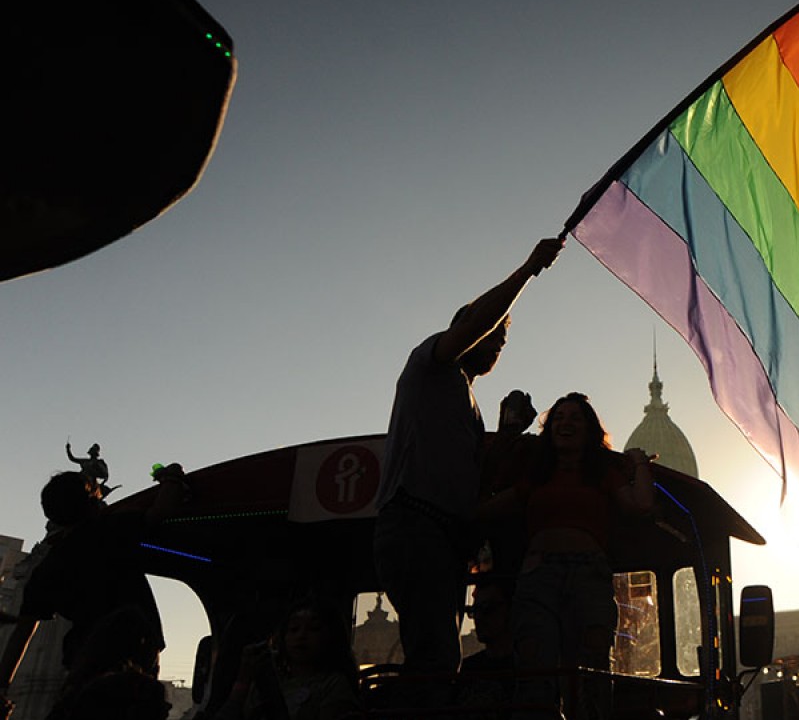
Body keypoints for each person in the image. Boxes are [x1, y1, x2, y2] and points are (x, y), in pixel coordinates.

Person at [372, 236, 563, 706]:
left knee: (441, 656)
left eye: (503, 340)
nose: (497, 343)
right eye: (492, 333)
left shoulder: (469, 406)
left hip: (445, 538)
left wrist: (508, 434)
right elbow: (478, 321)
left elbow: (475, 484)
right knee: (435, 659)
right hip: (417, 526)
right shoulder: (430, 364)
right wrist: (527, 270)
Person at [505, 393, 654, 720]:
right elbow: (501, 503)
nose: (565, 423)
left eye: (575, 418)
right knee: (534, 664)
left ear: (589, 429)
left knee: (592, 669)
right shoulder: (538, 475)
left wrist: (639, 462)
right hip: (539, 577)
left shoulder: (602, 474)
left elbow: (641, 505)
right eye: (559, 418)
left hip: (589, 576)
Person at [0, 464, 188, 718]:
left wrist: (2, 687)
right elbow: (162, 510)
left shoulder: (48, 567)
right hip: (135, 654)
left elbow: (21, 634)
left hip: (83, 663)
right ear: (91, 504)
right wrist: (172, 475)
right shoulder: (112, 529)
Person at [217, 597, 360, 720]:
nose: (301, 636)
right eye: (294, 629)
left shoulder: (334, 685)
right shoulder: (261, 684)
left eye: (314, 628)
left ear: (331, 637)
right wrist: (243, 680)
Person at [455, 578, 517, 719]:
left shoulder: (526, 672)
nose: (478, 617)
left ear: (510, 610)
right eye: (474, 611)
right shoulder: (467, 669)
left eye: (487, 609)